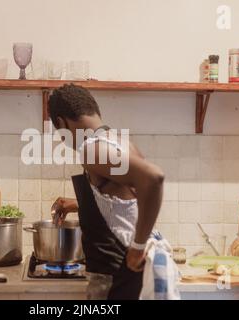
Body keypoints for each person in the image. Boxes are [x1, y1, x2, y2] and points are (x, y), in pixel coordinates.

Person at [48, 84, 165, 300]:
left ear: (62, 123)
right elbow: (125, 201)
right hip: (128, 273)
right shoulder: (120, 141)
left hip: (118, 275)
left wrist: (138, 247)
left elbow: (153, 179)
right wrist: (81, 203)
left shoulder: (92, 150)